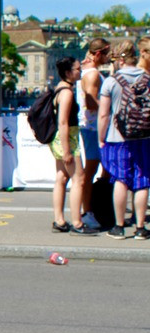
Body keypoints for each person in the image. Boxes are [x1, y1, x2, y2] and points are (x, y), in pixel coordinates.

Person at [98, 38, 150, 240]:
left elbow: (103, 115)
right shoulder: (147, 78)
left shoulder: (112, 81)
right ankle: (140, 228)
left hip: (117, 137)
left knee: (121, 179)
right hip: (144, 136)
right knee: (142, 181)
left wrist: (101, 138)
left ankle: (119, 227)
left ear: (118, 59)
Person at [50, 57, 96, 235]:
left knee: (61, 178)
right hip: (67, 138)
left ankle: (59, 219)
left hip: (59, 139)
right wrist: (67, 150)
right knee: (79, 179)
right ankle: (77, 222)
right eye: (77, 69)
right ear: (68, 72)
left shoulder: (60, 88)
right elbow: (63, 122)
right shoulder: (67, 93)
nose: (80, 72)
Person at [77, 38, 110, 229]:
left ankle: (89, 209)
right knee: (90, 170)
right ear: (98, 54)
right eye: (106, 54)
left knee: (92, 170)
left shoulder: (86, 71)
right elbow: (90, 103)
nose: (108, 58)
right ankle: (88, 211)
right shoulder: (94, 74)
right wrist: (110, 108)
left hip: (88, 126)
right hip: (92, 127)